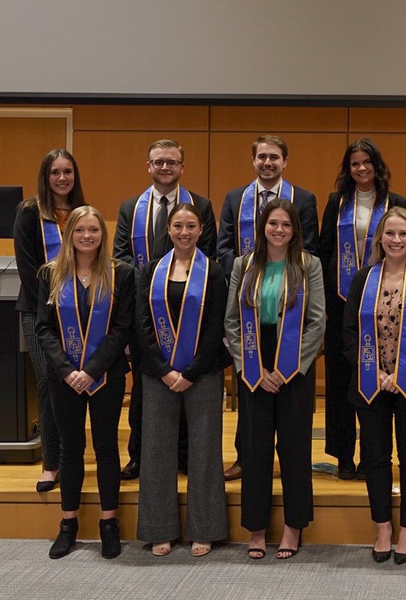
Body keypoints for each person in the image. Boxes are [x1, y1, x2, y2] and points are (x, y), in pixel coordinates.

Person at [224, 198, 326, 560]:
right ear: (262, 227)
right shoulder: (243, 264)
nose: (279, 230)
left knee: (295, 449)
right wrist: (247, 365)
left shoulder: (309, 265)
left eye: (286, 224)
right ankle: (256, 528)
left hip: (295, 363)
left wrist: (289, 367)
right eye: (272, 224)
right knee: (255, 449)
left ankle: (293, 527)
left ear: (294, 229)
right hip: (254, 362)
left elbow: (317, 322)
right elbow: (232, 322)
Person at [343, 207, 406, 564]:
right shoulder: (363, 279)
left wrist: (400, 374)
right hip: (370, 383)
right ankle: (383, 525)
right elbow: (349, 333)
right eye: (390, 234)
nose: (396, 240)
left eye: (403, 234)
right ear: (380, 238)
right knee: (374, 457)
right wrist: (374, 372)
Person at [113, 139, 218, 480]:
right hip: (146, 308)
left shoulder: (200, 206)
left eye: (172, 162)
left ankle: (184, 456)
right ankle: (140, 456)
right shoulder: (131, 207)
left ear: (182, 167)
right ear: (149, 166)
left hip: (191, 306)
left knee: (190, 382)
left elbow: (211, 255)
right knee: (145, 388)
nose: (165, 168)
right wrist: (149, 281)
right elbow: (120, 256)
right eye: (158, 162)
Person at [218, 134, 319, 482]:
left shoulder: (304, 200)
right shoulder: (234, 198)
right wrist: (250, 276)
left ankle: (289, 467)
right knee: (251, 398)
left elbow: (311, 249)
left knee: (289, 409)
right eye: (261, 156)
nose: (267, 162)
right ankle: (247, 459)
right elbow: (223, 247)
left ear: (285, 161)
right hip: (249, 305)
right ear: (253, 160)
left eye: (274, 157)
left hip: (289, 310)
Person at [35, 205, 134, 559]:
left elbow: (122, 328)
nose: (87, 236)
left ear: (101, 235)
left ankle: (109, 523)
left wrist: (91, 369)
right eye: (80, 231)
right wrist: (66, 369)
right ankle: (69, 524)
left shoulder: (121, 274)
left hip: (106, 375)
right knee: (70, 448)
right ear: (70, 235)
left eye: (93, 230)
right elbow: (44, 328)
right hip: (64, 379)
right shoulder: (49, 273)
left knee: (107, 448)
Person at [135, 203, 230, 557]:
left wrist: (190, 372)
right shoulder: (149, 272)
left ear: (201, 229)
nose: (185, 232)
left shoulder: (215, 272)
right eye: (178, 225)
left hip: (201, 373)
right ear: (169, 229)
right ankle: (159, 528)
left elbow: (216, 326)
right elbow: (142, 324)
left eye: (191, 225)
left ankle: (205, 528)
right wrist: (164, 369)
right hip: (158, 374)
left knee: (204, 452)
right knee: (157, 451)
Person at [320, 138, 406, 480]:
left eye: (366, 163)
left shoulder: (394, 202)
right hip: (341, 303)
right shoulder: (336, 202)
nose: (361, 169)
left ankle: (377, 455)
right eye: (355, 163)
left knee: (378, 378)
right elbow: (325, 251)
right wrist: (327, 302)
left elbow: (403, 246)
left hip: (383, 304)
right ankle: (343, 455)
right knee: (342, 382)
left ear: (377, 165)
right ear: (348, 168)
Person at [14, 149, 86, 494]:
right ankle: (51, 462)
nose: (62, 178)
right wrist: (51, 303)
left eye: (68, 172)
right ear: (45, 176)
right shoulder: (29, 213)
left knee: (73, 381)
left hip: (77, 314)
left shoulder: (80, 214)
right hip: (39, 310)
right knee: (47, 380)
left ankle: (71, 456)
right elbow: (27, 267)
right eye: (55, 172)